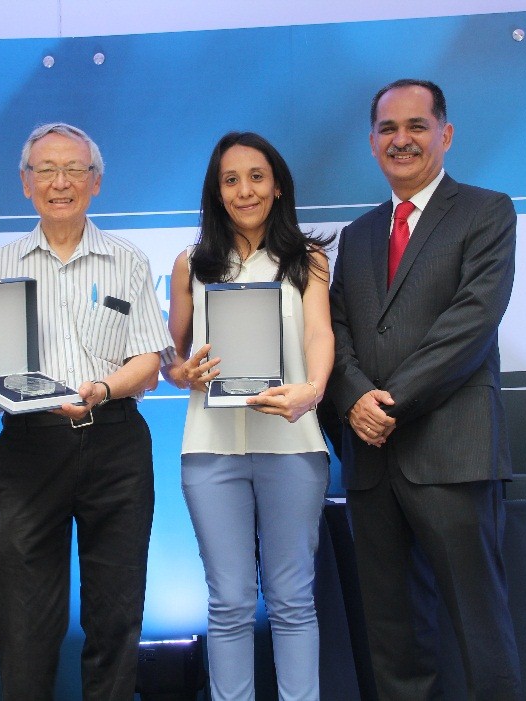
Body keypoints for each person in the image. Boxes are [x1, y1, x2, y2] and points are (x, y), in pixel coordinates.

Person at [0, 123, 173, 700]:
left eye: (74, 170)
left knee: (116, 614)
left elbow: (148, 361)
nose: (60, 182)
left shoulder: (128, 261)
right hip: (30, 447)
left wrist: (99, 388)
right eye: (46, 170)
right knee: (22, 618)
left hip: (115, 442)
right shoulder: (0, 261)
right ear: (25, 184)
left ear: (96, 182)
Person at [318, 79, 522, 699]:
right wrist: (355, 398)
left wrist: (389, 404)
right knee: (393, 636)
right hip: (373, 463)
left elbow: (471, 322)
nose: (401, 140)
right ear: (372, 141)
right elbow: (339, 333)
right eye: (387, 129)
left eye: (415, 126)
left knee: (480, 626)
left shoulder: (487, 211)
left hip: (453, 455)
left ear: (445, 133)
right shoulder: (354, 236)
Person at [162, 131, 334, 701]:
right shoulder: (191, 263)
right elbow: (172, 354)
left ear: (278, 184)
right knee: (230, 601)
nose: (245, 190)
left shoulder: (307, 259)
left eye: (256, 176)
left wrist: (313, 389)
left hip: (292, 442)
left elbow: (318, 332)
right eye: (231, 180)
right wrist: (180, 372)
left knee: (292, 599)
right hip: (210, 447)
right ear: (216, 191)